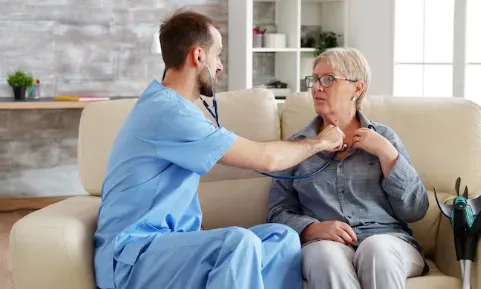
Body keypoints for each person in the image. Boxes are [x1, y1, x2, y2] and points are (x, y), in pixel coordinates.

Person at [93, 9, 347, 289]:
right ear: (198, 56)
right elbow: (267, 159)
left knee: (281, 238)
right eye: (218, 54)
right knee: (236, 242)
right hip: (132, 257)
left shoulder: (178, 109)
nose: (220, 66)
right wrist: (321, 142)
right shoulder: (168, 113)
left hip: (166, 248)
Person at [266, 47, 430, 289]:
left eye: (328, 79)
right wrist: (313, 229)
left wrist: (388, 155)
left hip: (387, 240)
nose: (316, 87)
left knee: (376, 249)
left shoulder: (385, 139)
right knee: (325, 256)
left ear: (358, 88)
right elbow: (276, 212)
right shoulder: (297, 146)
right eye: (314, 79)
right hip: (324, 244)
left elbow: (415, 210)